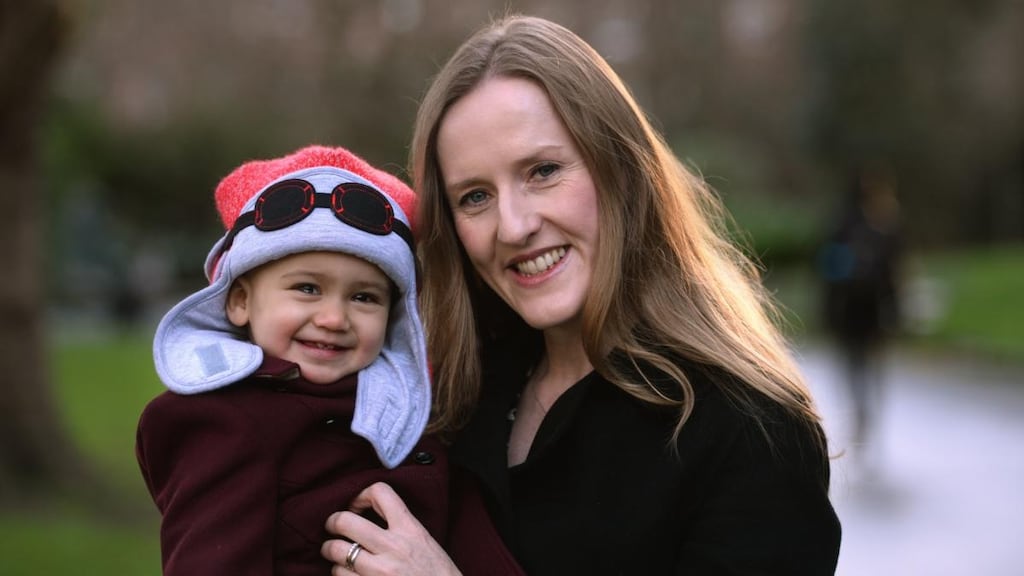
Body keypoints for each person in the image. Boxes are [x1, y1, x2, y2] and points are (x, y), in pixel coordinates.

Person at [321, 14, 841, 576]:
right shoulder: (443, 398)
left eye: (542, 171)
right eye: (475, 197)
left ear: (620, 169)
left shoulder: (749, 430)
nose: (513, 226)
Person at [136, 145, 524, 576]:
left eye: (364, 297)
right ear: (240, 300)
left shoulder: (405, 401)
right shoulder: (227, 421)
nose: (334, 318)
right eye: (306, 288)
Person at [818, 162, 903, 458]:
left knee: (855, 369)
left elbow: (826, 274)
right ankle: (865, 420)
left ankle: (861, 419)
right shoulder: (882, 229)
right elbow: (893, 277)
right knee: (867, 370)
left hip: (850, 314)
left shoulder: (841, 226)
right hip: (869, 315)